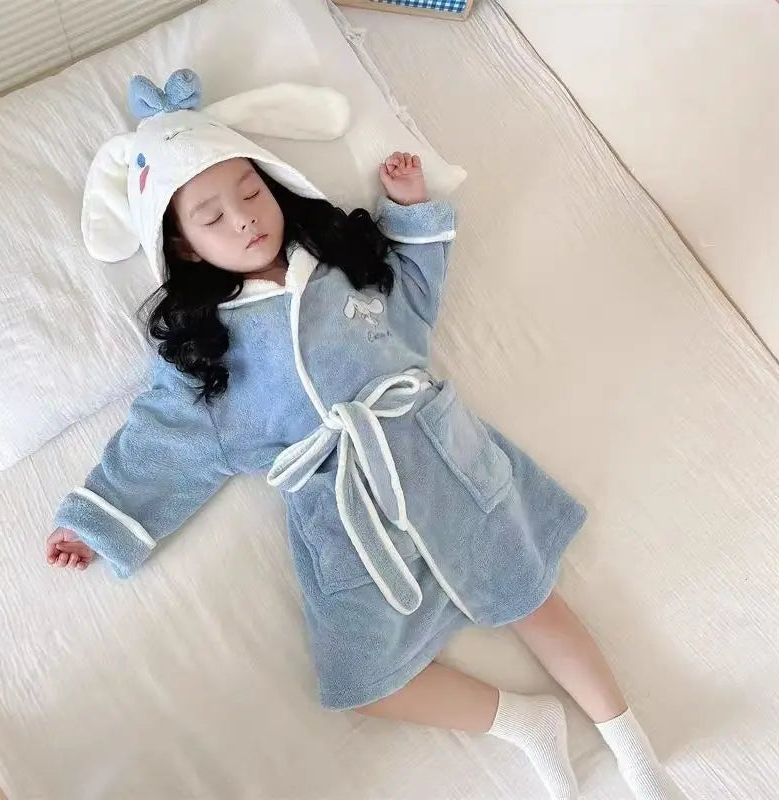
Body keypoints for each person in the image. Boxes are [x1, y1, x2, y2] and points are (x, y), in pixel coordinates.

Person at [46, 70, 686, 800]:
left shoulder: (342, 270)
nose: (245, 220)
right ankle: (523, 722)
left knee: (529, 595)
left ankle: (636, 755)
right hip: (342, 515)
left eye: (250, 193)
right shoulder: (205, 352)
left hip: (440, 460)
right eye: (213, 217)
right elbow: (161, 442)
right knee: (366, 681)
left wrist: (408, 213)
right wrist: (96, 522)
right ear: (185, 248)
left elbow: (415, 297)